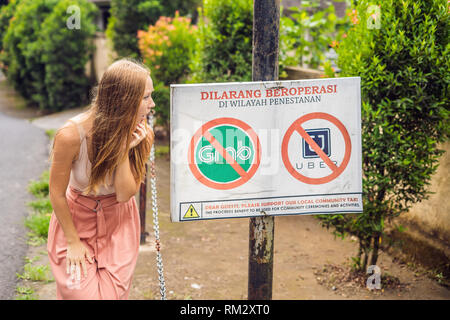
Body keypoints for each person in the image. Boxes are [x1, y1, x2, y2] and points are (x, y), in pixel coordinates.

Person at [47, 58, 155, 299]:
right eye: (146, 97)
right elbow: (56, 193)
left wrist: (122, 150)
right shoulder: (71, 135)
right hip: (76, 222)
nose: (152, 104)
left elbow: (124, 194)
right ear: (123, 100)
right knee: (78, 293)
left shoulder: (141, 133)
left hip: (119, 223)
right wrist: (73, 241)